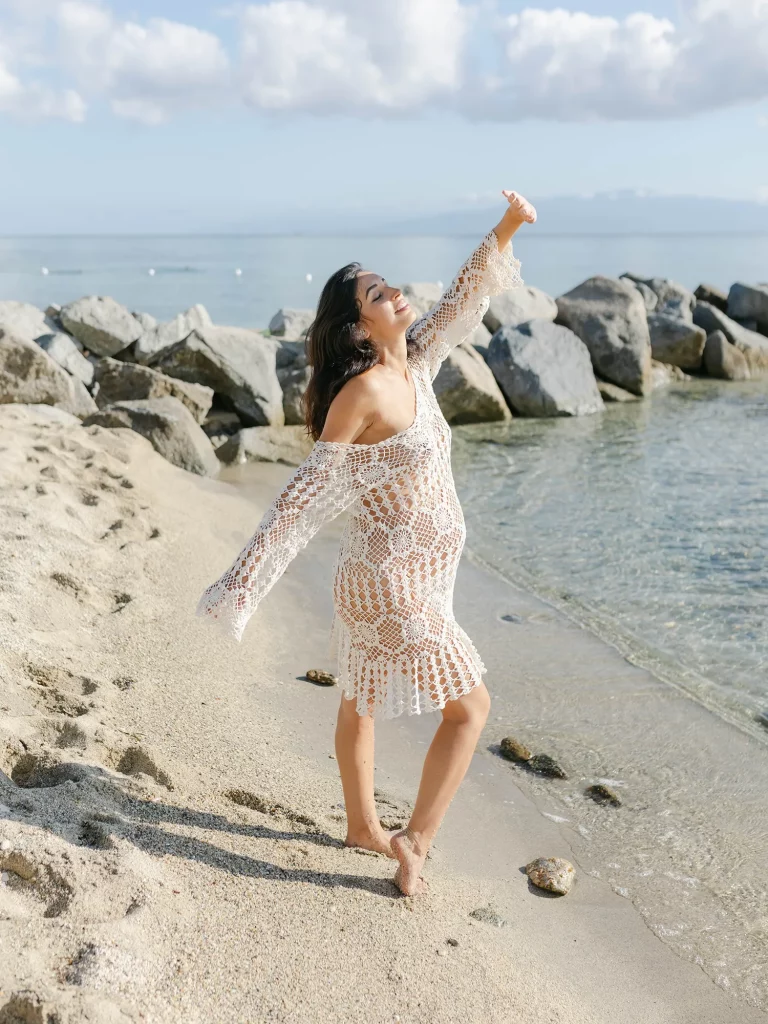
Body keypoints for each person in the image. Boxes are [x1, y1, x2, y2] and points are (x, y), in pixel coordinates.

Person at [196, 189, 537, 895]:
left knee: (360, 702)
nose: (396, 294)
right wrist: (242, 583)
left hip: (419, 573)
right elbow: (302, 499)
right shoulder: (362, 397)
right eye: (378, 293)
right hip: (388, 581)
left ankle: (359, 824)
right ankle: (414, 839)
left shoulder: (414, 361)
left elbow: (464, 300)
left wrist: (505, 227)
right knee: (470, 709)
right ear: (357, 326)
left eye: (388, 285)